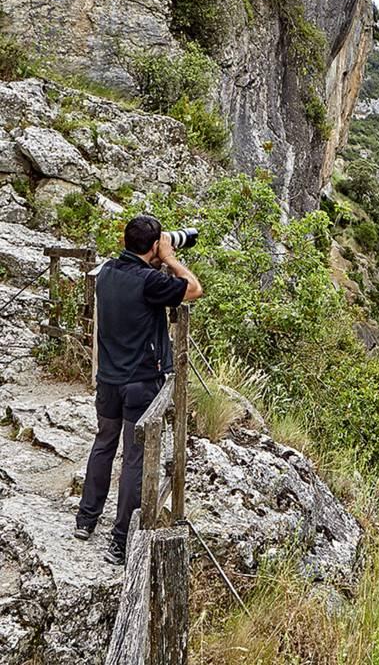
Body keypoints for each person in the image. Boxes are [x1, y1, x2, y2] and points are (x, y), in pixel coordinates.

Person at [74, 214, 203, 565]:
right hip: (140, 382)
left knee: (103, 445)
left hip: (108, 380)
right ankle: (121, 540)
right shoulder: (149, 282)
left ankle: (86, 519)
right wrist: (172, 259)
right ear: (153, 246)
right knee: (134, 459)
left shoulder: (106, 273)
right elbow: (193, 289)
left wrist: (155, 256)